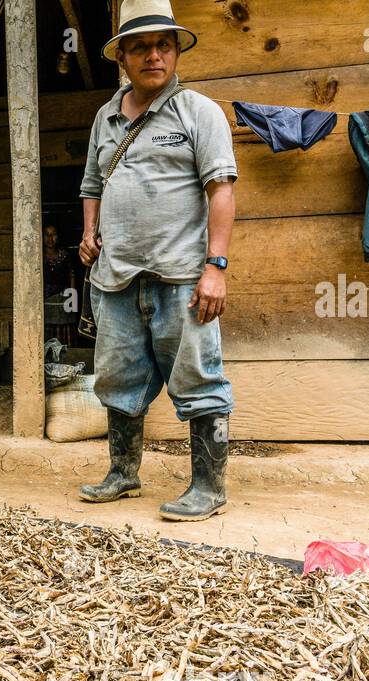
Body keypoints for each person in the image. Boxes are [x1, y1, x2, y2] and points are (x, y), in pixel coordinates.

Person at [77, 0, 237, 521]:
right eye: (140, 46)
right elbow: (92, 184)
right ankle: (123, 473)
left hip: (182, 276)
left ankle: (208, 488)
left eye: (162, 44)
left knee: (198, 378)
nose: (153, 55)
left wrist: (216, 267)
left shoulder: (199, 111)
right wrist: (88, 231)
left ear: (175, 51)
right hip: (116, 276)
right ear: (121, 56)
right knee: (117, 379)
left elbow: (221, 190)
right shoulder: (105, 117)